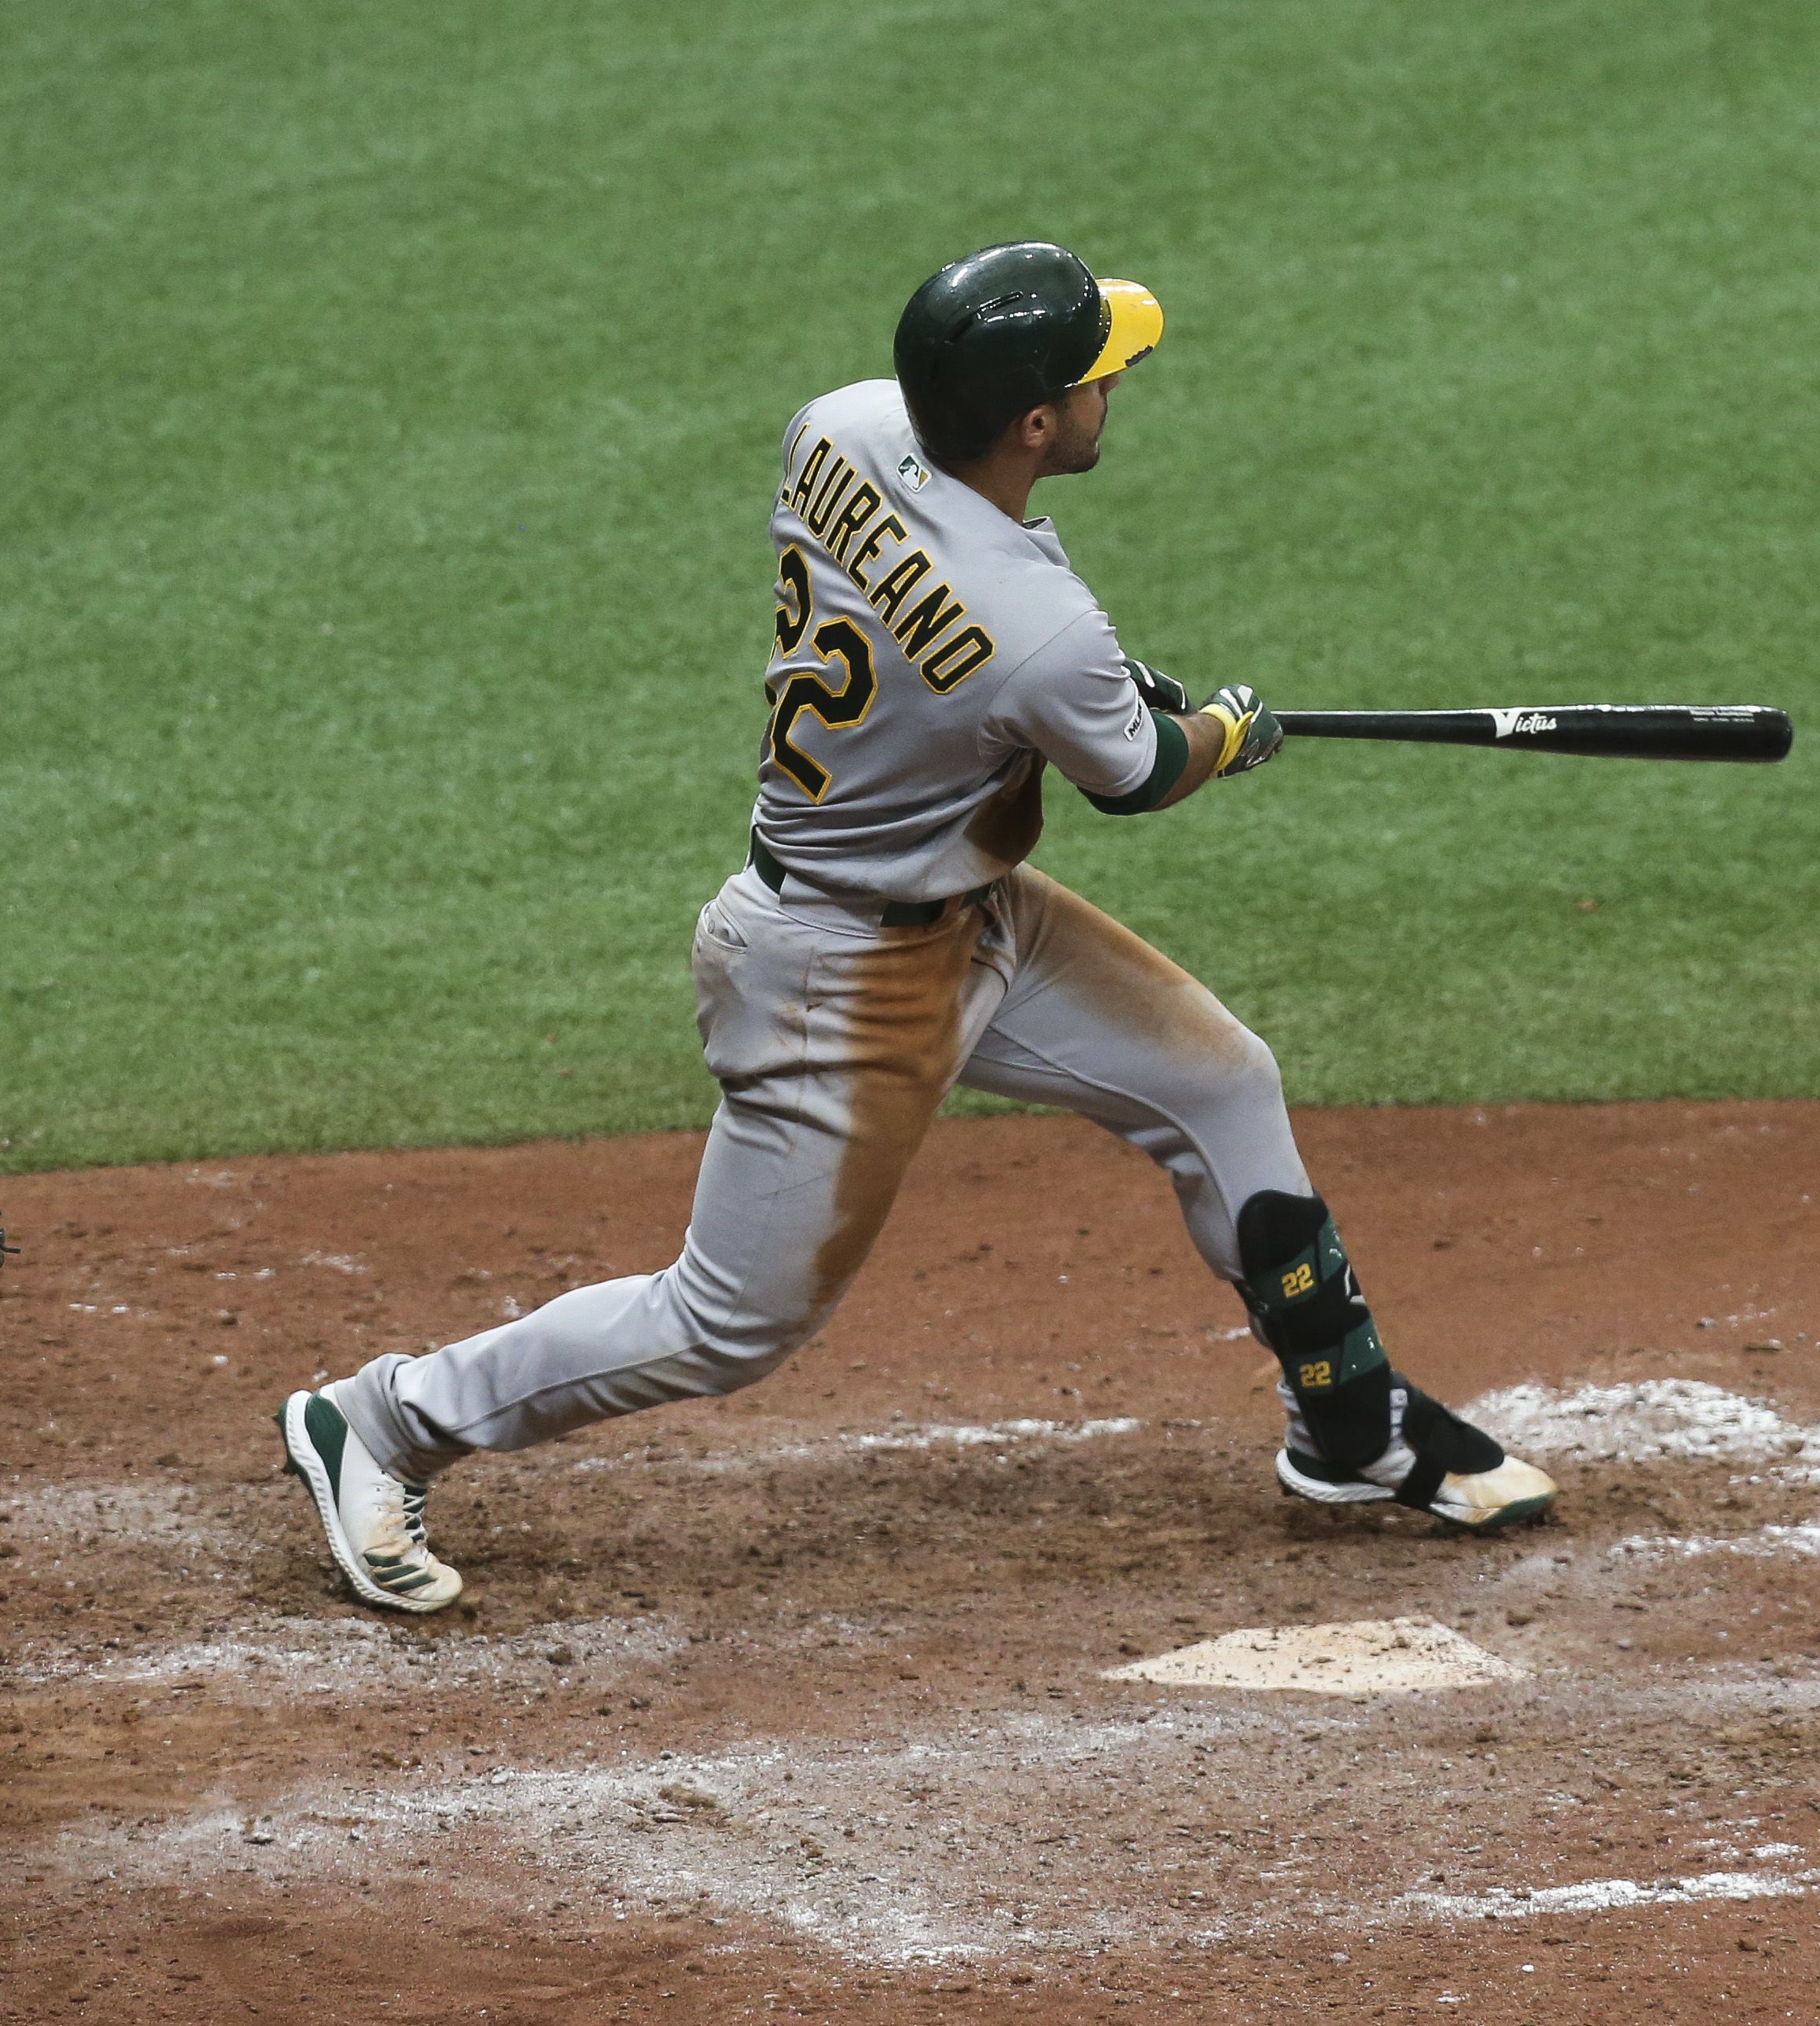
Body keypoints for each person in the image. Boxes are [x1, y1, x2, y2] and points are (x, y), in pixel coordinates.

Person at [278, 241, 1557, 1616]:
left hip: (968, 912)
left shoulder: (842, 425)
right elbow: (1131, 775)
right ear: (1032, 425)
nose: (1114, 388)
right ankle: (386, 1417)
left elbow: (999, 658)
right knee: (727, 1321)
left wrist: (1125, 699)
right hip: (844, 973)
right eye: (1096, 379)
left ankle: (1351, 1426)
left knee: (1220, 1079)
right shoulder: (1039, 634)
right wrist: (1224, 736)